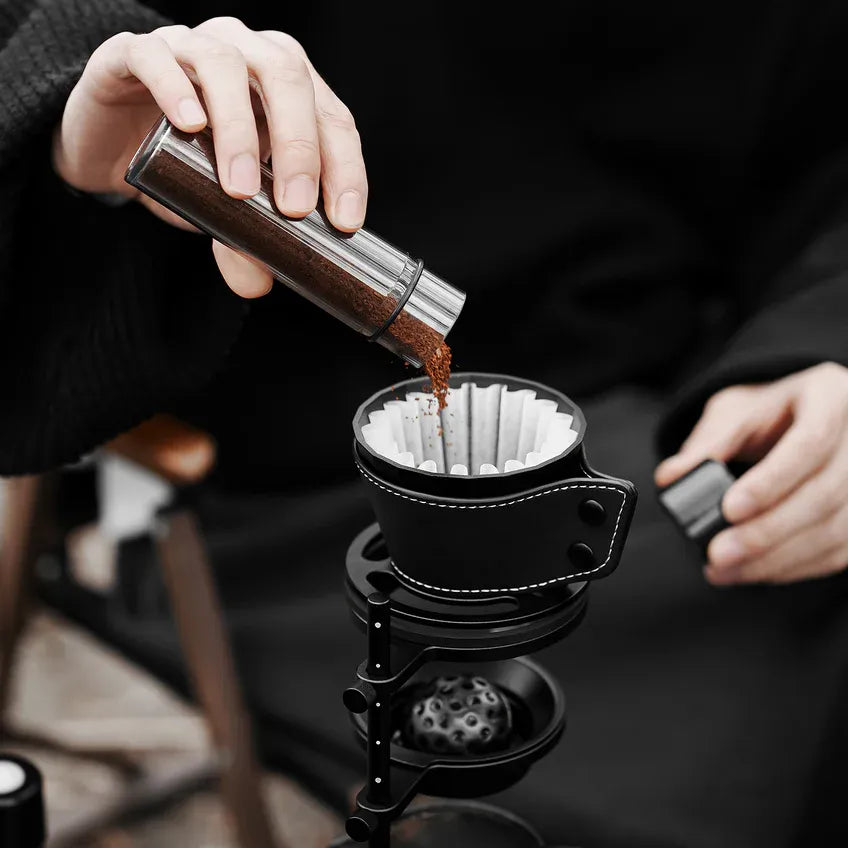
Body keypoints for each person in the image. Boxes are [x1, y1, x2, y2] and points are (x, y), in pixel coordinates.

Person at [1, 2, 847, 845]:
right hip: (290, 496)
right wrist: (74, 125)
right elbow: (50, 53)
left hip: (657, 426)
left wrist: (823, 344)